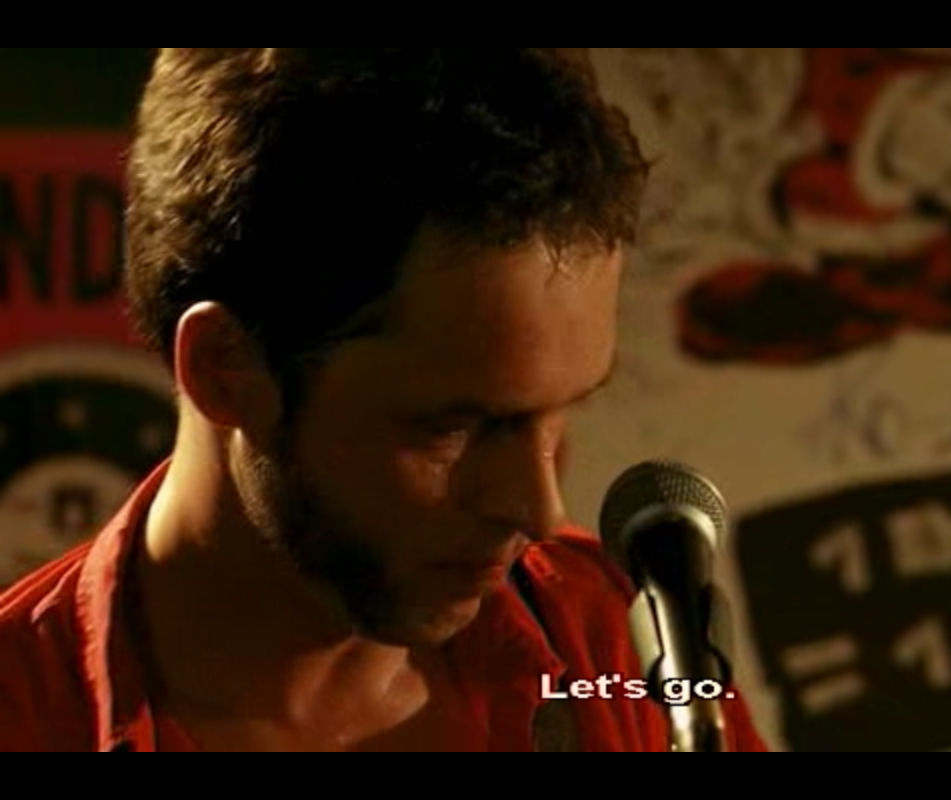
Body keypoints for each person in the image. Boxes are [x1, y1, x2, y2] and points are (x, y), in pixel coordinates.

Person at [0, 48, 767, 752]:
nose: (537, 509)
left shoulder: (622, 647)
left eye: (560, 413)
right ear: (225, 369)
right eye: (455, 427)